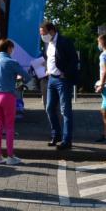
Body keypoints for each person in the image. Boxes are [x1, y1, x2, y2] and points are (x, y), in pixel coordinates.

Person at [0, 39, 31, 165]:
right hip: (7, 95)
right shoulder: (12, 62)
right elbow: (27, 77)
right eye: (12, 48)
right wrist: (18, 82)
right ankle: (10, 156)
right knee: (9, 127)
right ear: (9, 48)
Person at [40, 21, 80, 150]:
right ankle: (56, 134)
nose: (42, 36)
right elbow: (50, 59)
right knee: (49, 108)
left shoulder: (64, 41)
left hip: (62, 80)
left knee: (65, 111)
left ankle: (67, 140)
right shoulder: (48, 43)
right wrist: (47, 69)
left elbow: (74, 60)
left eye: (43, 33)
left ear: (51, 31)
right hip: (51, 79)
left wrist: (66, 73)